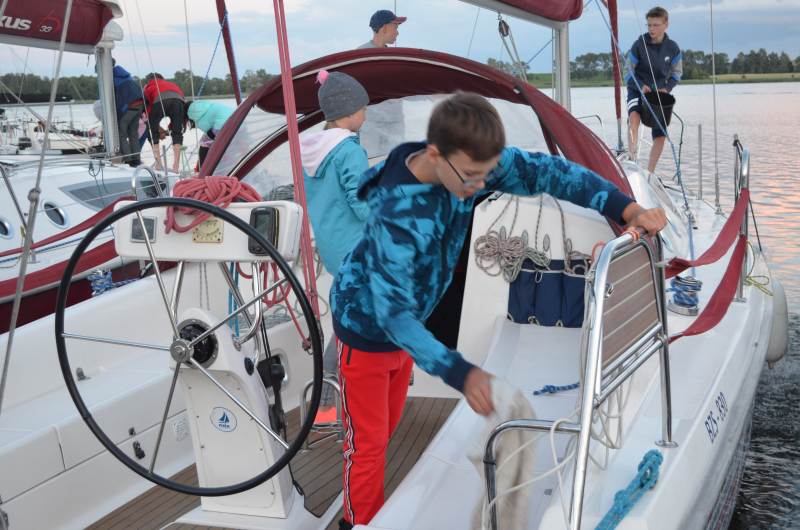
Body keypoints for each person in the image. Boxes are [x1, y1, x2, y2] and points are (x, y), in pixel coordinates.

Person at [330, 92, 667, 530]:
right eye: (471, 177)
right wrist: (462, 373)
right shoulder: (398, 216)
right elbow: (393, 315)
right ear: (435, 154)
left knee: (387, 427)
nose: (478, 186)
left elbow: (549, 172)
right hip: (366, 329)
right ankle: (357, 525)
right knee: (367, 444)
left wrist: (626, 207)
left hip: (408, 326)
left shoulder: (468, 161)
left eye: (485, 175)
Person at [300, 70, 370, 423]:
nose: (366, 115)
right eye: (363, 109)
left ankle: (332, 397)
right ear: (350, 112)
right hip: (357, 248)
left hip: (333, 247)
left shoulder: (312, 151)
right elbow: (361, 200)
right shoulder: (349, 151)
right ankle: (326, 401)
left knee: (353, 317)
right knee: (350, 323)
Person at [625, 6, 682, 173]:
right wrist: (640, 85)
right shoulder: (639, 45)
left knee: (661, 134)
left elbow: (677, 74)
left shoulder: (673, 48)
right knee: (634, 118)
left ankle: (650, 172)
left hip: (659, 94)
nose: (651, 29)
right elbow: (627, 72)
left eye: (656, 25)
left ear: (666, 24)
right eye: (649, 25)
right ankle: (632, 161)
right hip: (637, 90)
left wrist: (667, 88)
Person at [358, 10, 407, 157]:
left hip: (395, 124)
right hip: (370, 125)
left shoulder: (396, 57)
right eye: (395, 27)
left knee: (395, 163)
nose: (397, 32)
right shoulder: (360, 55)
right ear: (384, 27)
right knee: (371, 164)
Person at [143, 73, 186, 172]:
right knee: (177, 133)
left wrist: (155, 128)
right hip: (178, 100)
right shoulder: (172, 85)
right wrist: (170, 128)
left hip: (159, 100)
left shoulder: (149, 86)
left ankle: (158, 164)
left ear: (149, 80)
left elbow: (148, 111)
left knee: (152, 133)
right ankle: (176, 166)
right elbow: (181, 105)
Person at [186, 100, 234, 168]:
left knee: (204, 143)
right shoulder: (206, 105)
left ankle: (203, 169)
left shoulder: (194, 116)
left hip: (222, 127)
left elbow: (208, 131)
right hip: (237, 119)